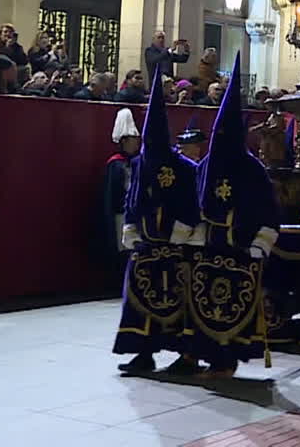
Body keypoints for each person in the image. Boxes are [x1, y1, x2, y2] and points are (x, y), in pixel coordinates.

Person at [180, 54, 281, 378]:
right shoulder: (207, 165)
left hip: (240, 249)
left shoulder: (252, 169)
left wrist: (259, 245)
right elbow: (195, 202)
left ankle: (226, 359)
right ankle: (199, 355)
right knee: (202, 303)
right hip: (208, 247)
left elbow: (268, 211)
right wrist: (192, 237)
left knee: (229, 306)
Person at [114, 66, 199, 375]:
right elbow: (133, 197)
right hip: (146, 244)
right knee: (138, 300)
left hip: (176, 247)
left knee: (180, 303)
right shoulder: (140, 163)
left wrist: (182, 232)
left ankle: (187, 356)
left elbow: (192, 202)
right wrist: (130, 227)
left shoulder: (185, 167)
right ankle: (143, 353)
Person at [100, 108, 141, 280]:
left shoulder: (139, 161)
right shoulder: (115, 164)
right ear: (124, 141)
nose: (137, 143)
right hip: (120, 214)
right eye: (133, 139)